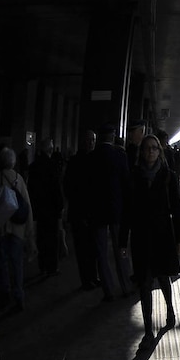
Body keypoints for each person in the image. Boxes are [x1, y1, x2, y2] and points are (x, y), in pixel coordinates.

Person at [120, 134, 180, 350]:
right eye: (147, 148)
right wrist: (122, 242)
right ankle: (148, 331)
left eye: (154, 148)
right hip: (141, 238)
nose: (150, 151)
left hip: (162, 236)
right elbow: (127, 212)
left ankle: (169, 308)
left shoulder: (169, 177)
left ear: (159, 151)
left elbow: (177, 210)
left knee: (164, 277)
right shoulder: (133, 177)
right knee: (145, 283)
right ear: (142, 152)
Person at [0, 147, 35, 312]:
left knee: (2, 264)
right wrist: (29, 232)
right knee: (17, 265)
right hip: (18, 230)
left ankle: (5, 293)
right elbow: (27, 205)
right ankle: (19, 295)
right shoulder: (19, 179)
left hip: (1, 230)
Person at [90, 124, 133, 301]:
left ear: (99, 137)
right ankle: (126, 286)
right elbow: (126, 184)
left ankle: (108, 290)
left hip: (97, 211)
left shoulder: (91, 157)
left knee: (101, 251)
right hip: (117, 209)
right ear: (114, 135)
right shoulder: (120, 156)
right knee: (121, 249)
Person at [65, 130, 101, 290]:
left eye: (93, 140)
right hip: (79, 212)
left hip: (92, 212)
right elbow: (69, 187)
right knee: (82, 248)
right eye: (88, 140)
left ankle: (93, 276)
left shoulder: (96, 160)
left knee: (92, 248)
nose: (90, 143)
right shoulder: (75, 162)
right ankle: (86, 279)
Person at [29, 138, 65, 277]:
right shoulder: (52, 166)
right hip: (51, 209)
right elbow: (56, 189)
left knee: (41, 238)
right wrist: (60, 206)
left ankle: (42, 265)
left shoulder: (34, 166)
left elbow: (31, 188)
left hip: (39, 208)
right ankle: (52, 267)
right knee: (52, 239)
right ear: (50, 149)